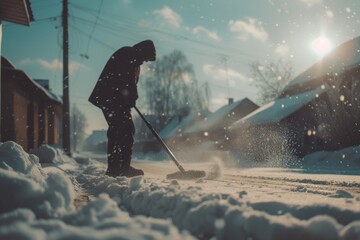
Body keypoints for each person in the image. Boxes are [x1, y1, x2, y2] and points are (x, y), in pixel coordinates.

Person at [89, 40, 156, 177]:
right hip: (111, 98)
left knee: (120, 130)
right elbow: (124, 79)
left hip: (115, 99)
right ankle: (121, 168)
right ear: (144, 51)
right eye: (148, 57)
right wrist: (129, 96)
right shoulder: (128, 54)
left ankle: (116, 169)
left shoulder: (135, 60)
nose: (147, 61)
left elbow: (130, 84)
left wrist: (130, 98)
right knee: (124, 130)